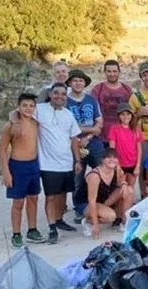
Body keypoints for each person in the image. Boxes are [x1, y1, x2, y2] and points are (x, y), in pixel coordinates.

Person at [35, 83, 82, 244]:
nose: (59, 96)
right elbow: (18, 113)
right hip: (48, 164)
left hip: (67, 162)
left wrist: (77, 160)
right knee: (51, 196)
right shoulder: (39, 109)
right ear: (50, 94)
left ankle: (59, 220)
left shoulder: (68, 114)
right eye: (56, 93)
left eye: (63, 94)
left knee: (63, 193)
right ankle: (52, 227)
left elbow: (73, 138)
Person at [0, 93, 45, 248]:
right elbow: (2, 150)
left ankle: (32, 230)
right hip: (17, 166)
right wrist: (6, 172)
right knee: (18, 201)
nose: (28, 108)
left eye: (31, 106)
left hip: (33, 165)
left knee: (33, 199)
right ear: (18, 106)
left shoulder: (35, 123)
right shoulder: (11, 126)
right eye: (24, 105)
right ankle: (16, 233)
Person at [66, 69, 104, 222]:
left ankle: (102, 203)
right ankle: (79, 208)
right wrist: (88, 131)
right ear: (70, 82)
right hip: (73, 143)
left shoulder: (91, 100)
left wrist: (88, 136)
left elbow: (99, 122)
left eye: (81, 80)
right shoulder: (65, 101)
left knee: (102, 172)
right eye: (75, 80)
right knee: (77, 177)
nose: (78, 83)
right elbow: (67, 126)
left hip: (93, 142)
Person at [76, 148, 133, 239]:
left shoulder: (116, 169)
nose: (112, 160)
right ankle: (88, 221)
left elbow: (122, 176)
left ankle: (125, 222)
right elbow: (91, 201)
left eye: (115, 158)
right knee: (110, 217)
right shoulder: (95, 175)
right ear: (102, 159)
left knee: (129, 190)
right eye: (108, 157)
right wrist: (96, 225)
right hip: (86, 203)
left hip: (103, 199)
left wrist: (123, 184)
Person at [91, 60, 133, 146]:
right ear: (105, 72)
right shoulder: (97, 89)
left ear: (119, 72)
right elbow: (92, 111)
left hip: (122, 135)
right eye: (109, 71)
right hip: (102, 135)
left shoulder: (127, 89)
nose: (112, 74)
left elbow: (132, 111)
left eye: (114, 71)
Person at [107, 102, 143, 189]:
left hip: (133, 164)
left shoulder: (136, 129)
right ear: (119, 116)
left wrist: (138, 166)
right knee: (120, 189)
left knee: (131, 188)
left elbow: (139, 149)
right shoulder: (114, 129)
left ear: (132, 115)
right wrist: (117, 166)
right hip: (120, 164)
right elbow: (112, 149)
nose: (126, 117)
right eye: (122, 114)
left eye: (128, 114)